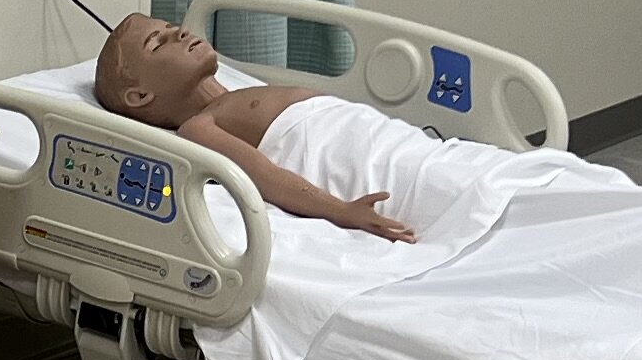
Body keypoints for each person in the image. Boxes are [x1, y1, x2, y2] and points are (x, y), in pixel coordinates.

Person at [92, 12, 416, 243]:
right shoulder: (199, 127)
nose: (178, 32)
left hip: (393, 142)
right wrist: (341, 210)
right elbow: (266, 177)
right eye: (157, 43)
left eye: (171, 26)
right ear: (139, 96)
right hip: (373, 169)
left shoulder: (241, 95)